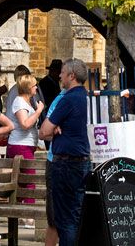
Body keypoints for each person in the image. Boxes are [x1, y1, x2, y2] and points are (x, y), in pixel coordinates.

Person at [41, 59, 93, 246]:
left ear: (71, 76)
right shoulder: (85, 97)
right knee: (74, 215)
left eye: (63, 72)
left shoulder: (67, 99)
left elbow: (43, 131)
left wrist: (53, 127)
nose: (60, 76)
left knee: (64, 221)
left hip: (65, 164)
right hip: (81, 161)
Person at [8, 74, 43, 212]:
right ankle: (28, 213)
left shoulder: (29, 101)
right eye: (35, 85)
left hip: (27, 145)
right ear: (28, 87)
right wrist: (39, 111)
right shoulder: (19, 101)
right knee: (29, 180)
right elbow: (24, 124)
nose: (36, 88)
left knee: (25, 180)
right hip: (20, 145)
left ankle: (23, 210)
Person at [38, 90, 64, 246]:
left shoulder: (88, 99)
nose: (60, 76)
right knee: (54, 219)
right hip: (56, 161)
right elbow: (43, 133)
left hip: (79, 162)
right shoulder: (60, 99)